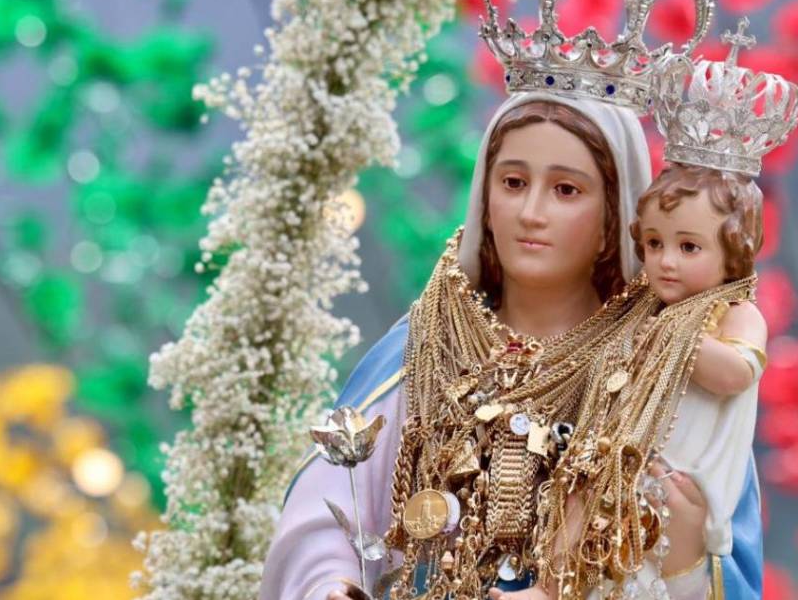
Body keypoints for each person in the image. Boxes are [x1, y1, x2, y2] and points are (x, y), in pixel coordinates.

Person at [258, 92, 765, 600]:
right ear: (485, 197)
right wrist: (331, 583)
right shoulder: (423, 348)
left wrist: (685, 558)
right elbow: (323, 515)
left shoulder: (661, 368)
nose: (531, 212)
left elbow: (722, 558)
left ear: (615, 220)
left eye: (566, 190)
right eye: (514, 183)